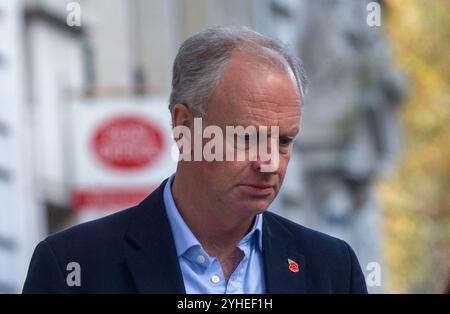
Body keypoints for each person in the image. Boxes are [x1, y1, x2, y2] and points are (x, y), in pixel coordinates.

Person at [23, 26, 367, 294]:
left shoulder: (333, 269)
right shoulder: (73, 265)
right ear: (184, 126)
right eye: (247, 138)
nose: (270, 164)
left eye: (284, 141)